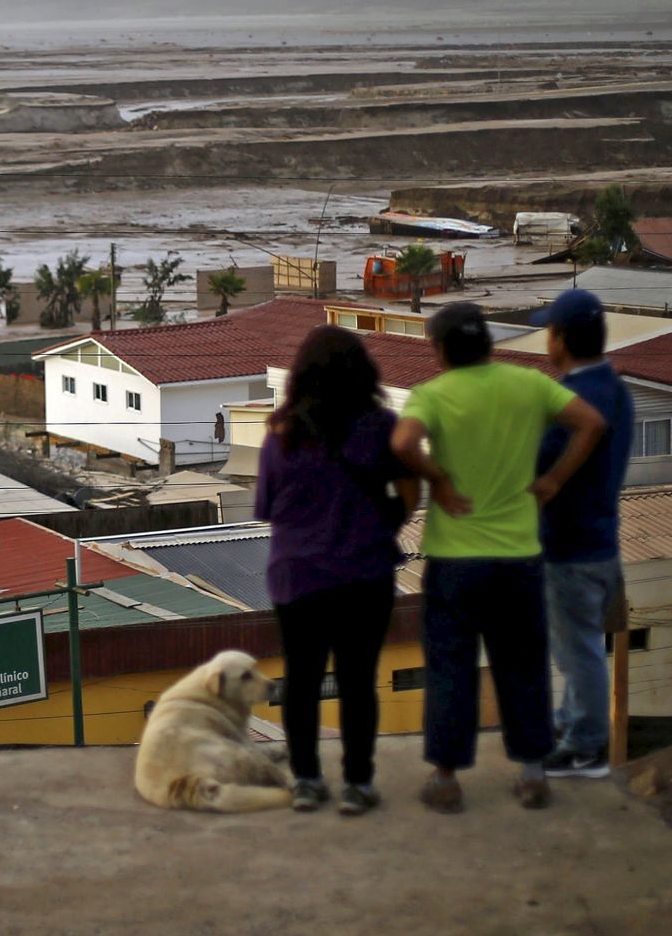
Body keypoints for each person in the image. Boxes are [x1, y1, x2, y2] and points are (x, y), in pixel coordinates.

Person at [391, 301, 606, 814]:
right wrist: (554, 478)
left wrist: (437, 479)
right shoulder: (528, 384)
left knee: (450, 665)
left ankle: (445, 780)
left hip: (454, 560)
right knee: (523, 663)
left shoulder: (433, 394)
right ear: (487, 342)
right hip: (518, 557)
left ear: (441, 349)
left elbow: (401, 444)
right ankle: (532, 775)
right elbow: (591, 423)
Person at [254, 326, 418, 816]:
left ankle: (306, 780)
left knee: (301, 680)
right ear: (362, 371)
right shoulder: (382, 426)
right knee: (357, 680)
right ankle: (358, 784)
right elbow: (410, 494)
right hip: (364, 575)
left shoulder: (280, 437)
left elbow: (266, 508)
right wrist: (383, 520)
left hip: (297, 577)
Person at [532, 289, 634, 780]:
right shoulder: (617, 389)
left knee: (579, 651)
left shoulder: (574, 404)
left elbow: (539, 470)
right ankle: (571, 726)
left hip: (571, 543)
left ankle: (586, 746)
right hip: (602, 536)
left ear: (562, 340)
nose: (544, 340)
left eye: (548, 330)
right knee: (579, 643)